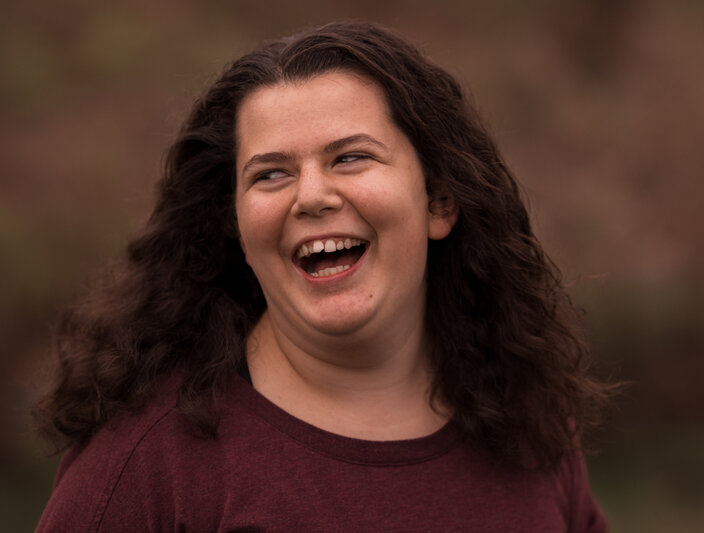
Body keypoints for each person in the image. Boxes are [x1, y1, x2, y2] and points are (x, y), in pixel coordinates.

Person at [35, 22, 612, 532]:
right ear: (235, 225)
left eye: (350, 157)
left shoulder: (526, 418)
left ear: (439, 200)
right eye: (270, 174)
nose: (311, 195)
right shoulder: (150, 460)